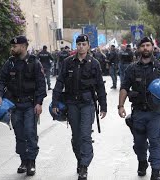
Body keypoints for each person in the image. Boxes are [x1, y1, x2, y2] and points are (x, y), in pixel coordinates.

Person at [118, 37, 160, 180]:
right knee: (139, 144)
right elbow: (124, 88)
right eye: (143, 46)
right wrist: (120, 105)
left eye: (148, 45)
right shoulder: (131, 68)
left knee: (155, 142)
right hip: (138, 112)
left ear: (152, 48)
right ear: (139, 49)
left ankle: (156, 172)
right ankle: (142, 162)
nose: (145, 48)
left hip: (156, 113)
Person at [52, 34, 107, 180]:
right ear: (76, 46)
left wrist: (103, 106)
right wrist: (55, 102)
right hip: (72, 103)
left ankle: (84, 166)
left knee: (85, 135)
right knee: (76, 137)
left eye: (84, 44)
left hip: (87, 104)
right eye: (79, 44)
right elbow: (59, 83)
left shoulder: (94, 63)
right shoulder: (68, 62)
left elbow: (100, 86)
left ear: (88, 46)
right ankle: (80, 159)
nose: (81, 46)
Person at [0, 35, 47, 176]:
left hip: (30, 104)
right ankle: (24, 160)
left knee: (30, 133)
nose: (12, 49)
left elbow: (41, 85)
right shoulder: (10, 63)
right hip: (14, 104)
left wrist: (39, 103)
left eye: (15, 46)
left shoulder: (35, 63)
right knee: (19, 134)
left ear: (23, 46)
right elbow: (3, 80)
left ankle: (31, 162)